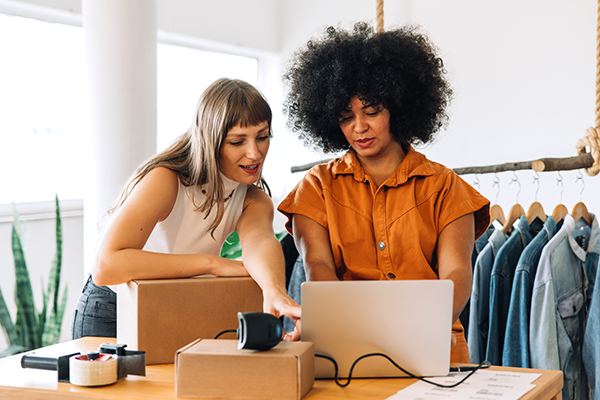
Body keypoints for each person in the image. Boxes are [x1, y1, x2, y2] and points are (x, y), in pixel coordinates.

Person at [278, 23, 490, 363]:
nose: (359, 127)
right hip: (348, 347)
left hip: (435, 346)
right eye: (346, 117)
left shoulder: (446, 187)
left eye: (372, 111)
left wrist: (429, 324)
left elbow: (457, 273)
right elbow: (317, 266)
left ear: (399, 106)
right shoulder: (316, 187)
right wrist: (345, 327)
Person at [72, 78, 301, 342]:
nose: (255, 153)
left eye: (262, 137)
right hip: (113, 308)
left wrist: (274, 291)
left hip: (173, 300)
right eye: (238, 142)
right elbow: (107, 265)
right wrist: (211, 264)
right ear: (210, 140)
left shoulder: (253, 199)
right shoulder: (166, 181)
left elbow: (260, 241)